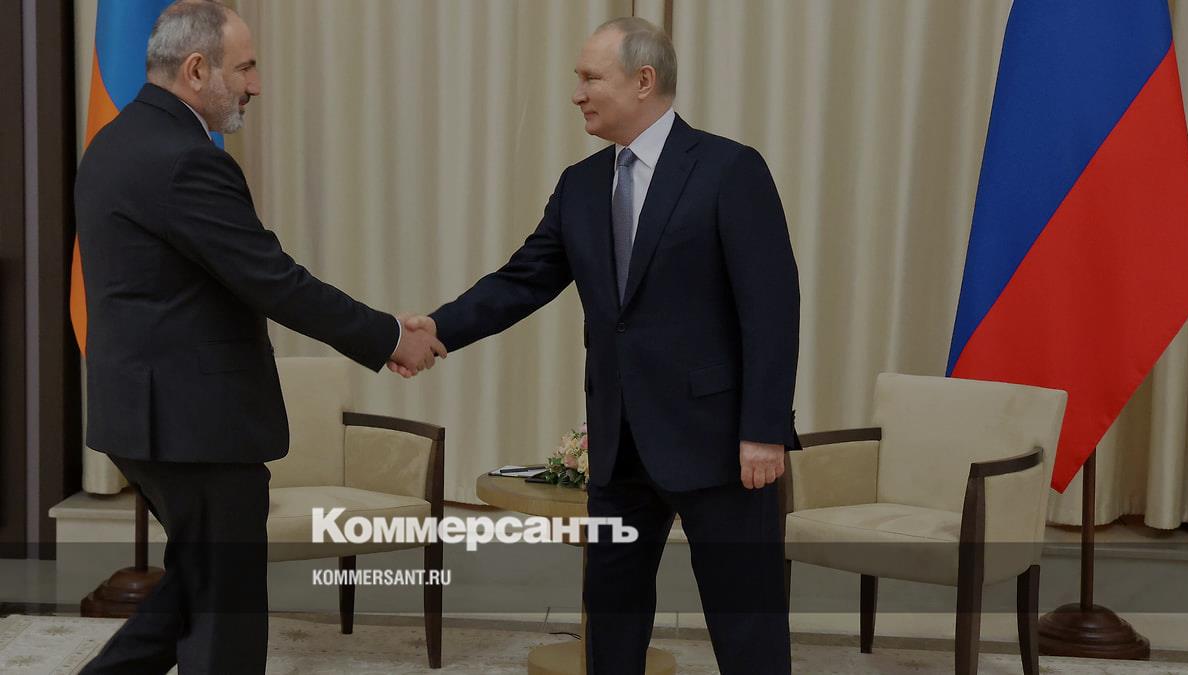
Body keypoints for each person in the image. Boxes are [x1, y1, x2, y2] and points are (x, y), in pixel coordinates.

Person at [404, 17, 799, 674]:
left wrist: (763, 429)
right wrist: (436, 331)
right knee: (611, 621)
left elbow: (773, 308)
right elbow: (522, 280)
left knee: (745, 622)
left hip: (721, 443)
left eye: (591, 78)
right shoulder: (582, 184)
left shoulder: (730, 169)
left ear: (643, 80)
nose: (577, 93)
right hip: (619, 445)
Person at [74, 1, 443, 672]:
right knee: (227, 613)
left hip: (147, 417)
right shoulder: (184, 160)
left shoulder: (115, 142)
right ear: (196, 70)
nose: (255, 85)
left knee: (198, 586)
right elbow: (275, 282)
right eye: (244, 68)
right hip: (197, 426)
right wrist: (390, 336)